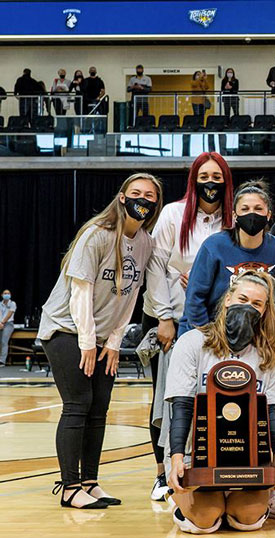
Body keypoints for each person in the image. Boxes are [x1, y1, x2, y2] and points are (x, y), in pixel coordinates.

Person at [39, 173, 162, 509]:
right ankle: (69, 488)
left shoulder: (146, 242)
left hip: (103, 337)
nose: (143, 199)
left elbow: (131, 295)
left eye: (150, 195)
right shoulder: (97, 235)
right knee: (77, 404)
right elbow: (81, 292)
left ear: (156, 204)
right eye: (136, 192)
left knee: (99, 409)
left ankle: (90, 482)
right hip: (67, 329)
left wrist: (113, 342)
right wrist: (88, 342)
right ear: (122, 197)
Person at [165, 269, 275, 534]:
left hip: (249, 459)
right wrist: (176, 459)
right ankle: (185, 502)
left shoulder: (268, 355)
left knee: (248, 520)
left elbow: (273, 412)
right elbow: (182, 407)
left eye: (257, 304)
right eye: (242, 299)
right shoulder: (192, 342)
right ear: (227, 300)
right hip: (195, 453)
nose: (248, 307)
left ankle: (239, 501)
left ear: (265, 312)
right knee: (205, 520)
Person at [144, 152, 234, 501]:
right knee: (168, 398)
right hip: (174, 321)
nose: (210, 183)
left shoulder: (233, 219)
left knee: (213, 398)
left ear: (226, 181)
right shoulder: (172, 214)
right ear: (194, 179)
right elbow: (156, 267)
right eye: (204, 176)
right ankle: (161, 473)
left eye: (217, 177)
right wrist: (164, 317)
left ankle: (211, 468)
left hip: (219, 327)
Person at [179, 181, 275, 336]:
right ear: (234, 215)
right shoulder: (214, 246)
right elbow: (195, 298)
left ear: (269, 215)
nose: (252, 214)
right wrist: (209, 335)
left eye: (258, 209)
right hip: (211, 329)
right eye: (245, 209)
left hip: (259, 333)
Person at [0, 290, 15, 366]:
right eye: (5, 293)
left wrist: (2, 322)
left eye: (8, 293)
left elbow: (9, 314)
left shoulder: (12, 304)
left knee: (4, 341)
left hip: (8, 324)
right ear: (2, 295)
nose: (7, 295)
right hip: (0, 323)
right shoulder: (0, 304)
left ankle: (2, 361)